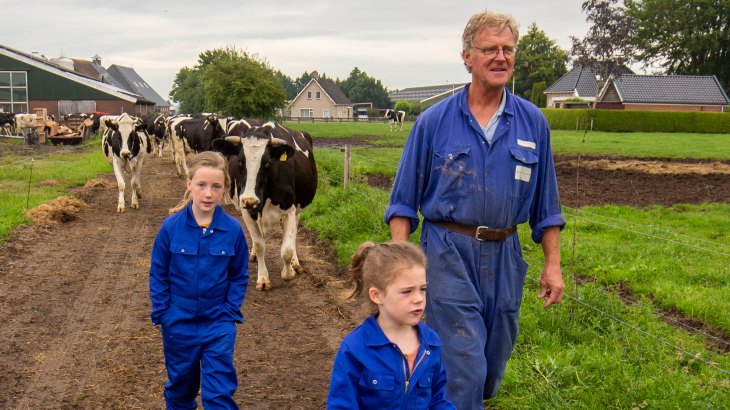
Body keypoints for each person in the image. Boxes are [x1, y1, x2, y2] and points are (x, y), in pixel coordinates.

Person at [384, 10, 567, 408]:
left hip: (506, 257)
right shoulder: (433, 122)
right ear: (467, 57)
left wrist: (552, 264)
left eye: (508, 49)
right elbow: (402, 202)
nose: (501, 57)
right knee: (464, 365)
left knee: (490, 367)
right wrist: (401, 266)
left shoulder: (533, 123)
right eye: (490, 49)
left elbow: (547, 206)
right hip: (447, 252)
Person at [149, 151, 249, 410]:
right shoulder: (170, 227)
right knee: (181, 390)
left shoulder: (234, 230)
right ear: (189, 184)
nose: (208, 194)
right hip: (178, 324)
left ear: (225, 188)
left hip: (218, 323)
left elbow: (239, 276)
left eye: (216, 187)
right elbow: (158, 274)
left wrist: (229, 313)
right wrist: (164, 313)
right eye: (201, 185)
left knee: (219, 394)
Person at [327, 241, 456, 410]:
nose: (419, 298)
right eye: (407, 291)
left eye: (422, 289)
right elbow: (341, 406)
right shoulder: (354, 348)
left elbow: (437, 400)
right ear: (377, 296)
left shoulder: (431, 343)